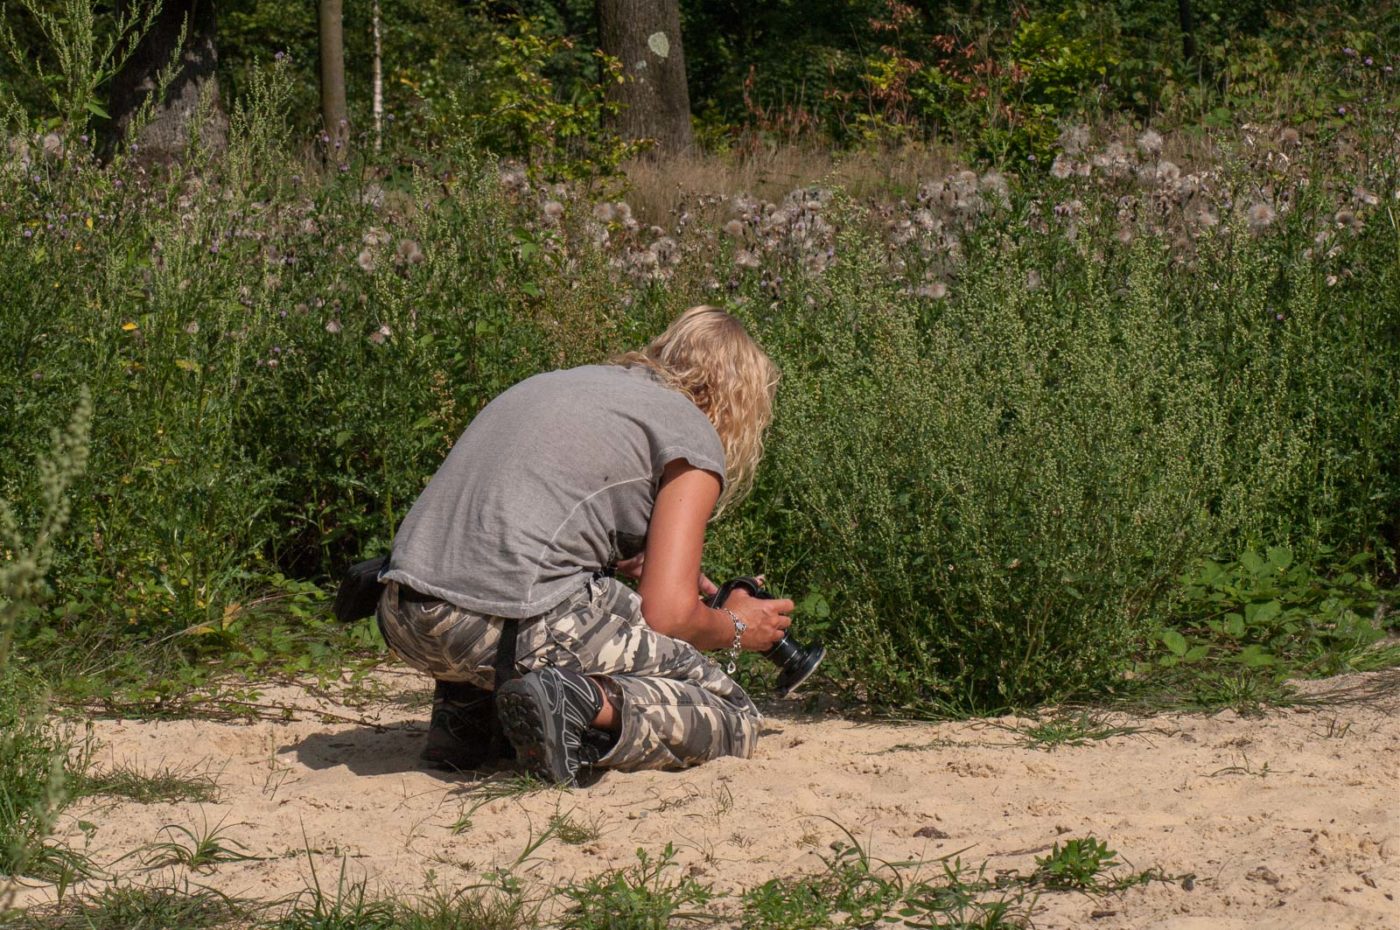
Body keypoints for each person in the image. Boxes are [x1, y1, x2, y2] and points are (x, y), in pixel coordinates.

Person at [376, 305, 792, 785]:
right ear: (734, 400)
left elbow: (511, 529)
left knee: (579, 597)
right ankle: (578, 701)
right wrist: (739, 626)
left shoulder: (567, 382)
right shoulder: (691, 431)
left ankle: (465, 719)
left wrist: (624, 561)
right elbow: (671, 615)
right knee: (732, 714)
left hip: (401, 611)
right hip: (493, 623)